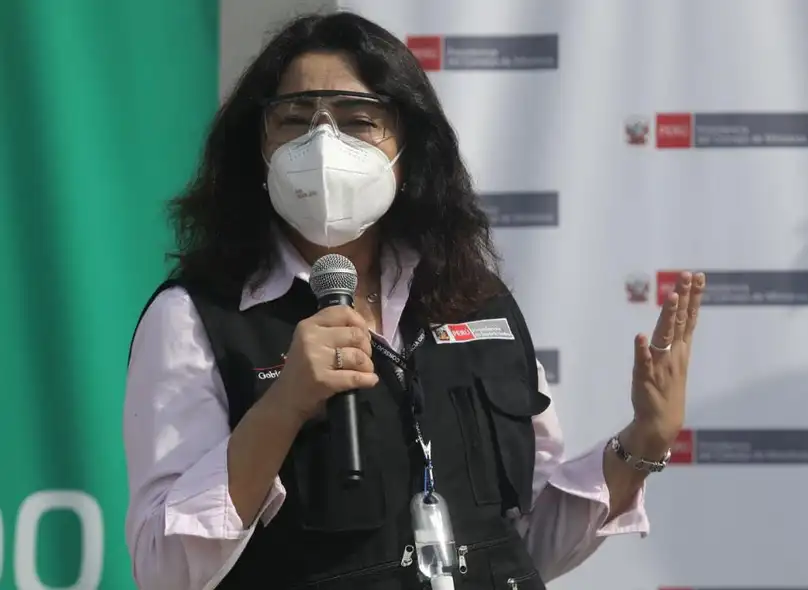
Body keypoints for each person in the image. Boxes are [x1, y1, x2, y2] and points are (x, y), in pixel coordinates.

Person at [122, 11, 706, 590]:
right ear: (258, 149)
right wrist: (280, 410)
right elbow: (164, 570)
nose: (323, 145)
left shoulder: (475, 300)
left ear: (410, 148)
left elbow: (525, 544)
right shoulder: (197, 317)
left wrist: (644, 442)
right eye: (295, 120)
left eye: (358, 120)